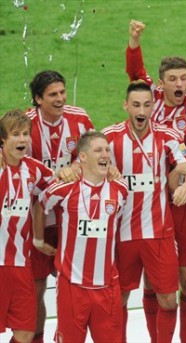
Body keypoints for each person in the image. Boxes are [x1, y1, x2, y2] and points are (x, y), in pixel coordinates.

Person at [125, 19, 186, 341]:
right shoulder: (149, 100)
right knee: (154, 279)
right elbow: (136, 73)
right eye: (172, 79)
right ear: (161, 85)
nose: (180, 84)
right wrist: (134, 39)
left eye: (183, 78)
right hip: (153, 198)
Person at [101, 81, 186, 343]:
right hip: (122, 234)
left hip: (159, 232)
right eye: (136, 105)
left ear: (153, 106)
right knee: (118, 298)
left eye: (147, 104)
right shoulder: (109, 138)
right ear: (126, 106)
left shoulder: (168, 136)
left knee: (168, 299)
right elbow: (86, 166)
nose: (141, 110)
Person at [36, 131, 128, 342]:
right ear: (83, 157)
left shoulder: (121, 189)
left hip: (107, 286)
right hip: (72, 285)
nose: (105, 154)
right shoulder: (64, 188)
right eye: (98, 150)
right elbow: (40, 206)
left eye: (107, 150)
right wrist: (38, 241)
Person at [24, 70, 94, 343]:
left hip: (70, 218)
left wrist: (76, 165)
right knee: (36, 287)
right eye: (53, 95)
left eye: (62, 92)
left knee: (70, 287)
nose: (61, 98)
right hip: (35, 218)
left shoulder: (79, 118)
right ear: (38, 99)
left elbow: (97, 151)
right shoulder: (25, 125)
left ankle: (64, 337)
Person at [0, 109, 53, 343]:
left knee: (25, 332)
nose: (22, 139)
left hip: (21, 264)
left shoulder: (33, 169)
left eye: (25, 134)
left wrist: (71, 172)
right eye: (15, 134)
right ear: (3, 140)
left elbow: (59, 185)